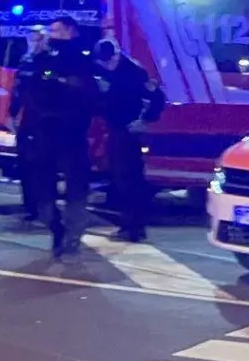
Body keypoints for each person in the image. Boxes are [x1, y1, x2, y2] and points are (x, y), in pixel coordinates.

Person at [14, 16, 99, 259]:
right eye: (51, 30)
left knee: (76, 187)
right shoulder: (40, 58)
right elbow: (27, 89)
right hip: (44, 132)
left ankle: (72, 234)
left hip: (72, 132)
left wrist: (65, 84)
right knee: (43, 191)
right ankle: (57, 228)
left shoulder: (82, 60)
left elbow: (89, 95)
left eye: (58, 30)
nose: (52, 34)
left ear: (71, 31)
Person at [94, 38, 165, 242]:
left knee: (130, 179)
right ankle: (128, 224)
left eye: (108, 62)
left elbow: (157, 98)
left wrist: (144, 120)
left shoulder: (134, 72)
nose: (106, 66)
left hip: (129, 131)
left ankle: (135, 227)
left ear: (116, 55)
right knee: (118, 179)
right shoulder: (106, 69)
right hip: (114, 129)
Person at [10, 28, 50, 225]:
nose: (34, 42)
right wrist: (12, 113)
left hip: (42, 121)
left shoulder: (48, 61)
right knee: (25, 165)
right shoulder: (25, 61)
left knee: (41, 166)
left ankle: (43, 208)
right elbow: (17, 91)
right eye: (31, 38)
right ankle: (31, 207)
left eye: (37, 39)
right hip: (26, 121)